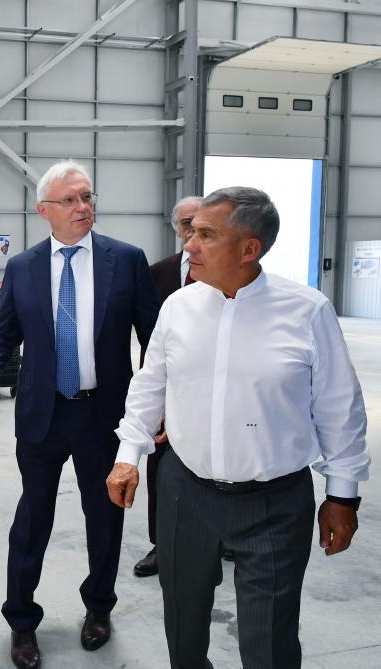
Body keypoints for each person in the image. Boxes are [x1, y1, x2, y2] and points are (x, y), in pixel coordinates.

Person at [108, 187, 369, 669]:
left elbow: (339, 407)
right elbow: (149, 386)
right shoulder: (178, 307)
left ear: (249, 249)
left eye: (206, 235)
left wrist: (342, 495)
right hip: (186, 493)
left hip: (274, 503)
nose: (189, 245)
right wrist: (129, 455)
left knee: (269, 644)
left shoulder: (306, 311)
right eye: (191, 232)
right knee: (184, 628)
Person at [0, 160, 159, 668]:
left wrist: (159, 404)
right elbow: (4, 334)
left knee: (105, 518)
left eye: (87, 197)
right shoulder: (23, 267)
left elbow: (155, 338)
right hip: (43, 413)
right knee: (32, 518)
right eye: (70, 200)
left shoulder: (127, 260)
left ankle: (99, 607)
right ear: (44, 210)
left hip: (105, 414)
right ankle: (21, 621)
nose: (83, 207)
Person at [132, 195, 202, 578]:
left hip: (213, 389)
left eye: (199, 220)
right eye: (185, 222)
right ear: (176, 228)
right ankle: (161, 543)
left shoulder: (227, 271)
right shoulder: (158, 273)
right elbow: (147, 334)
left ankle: (222, 538)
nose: (192, 228)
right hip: (166, 387)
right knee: (159, 465)